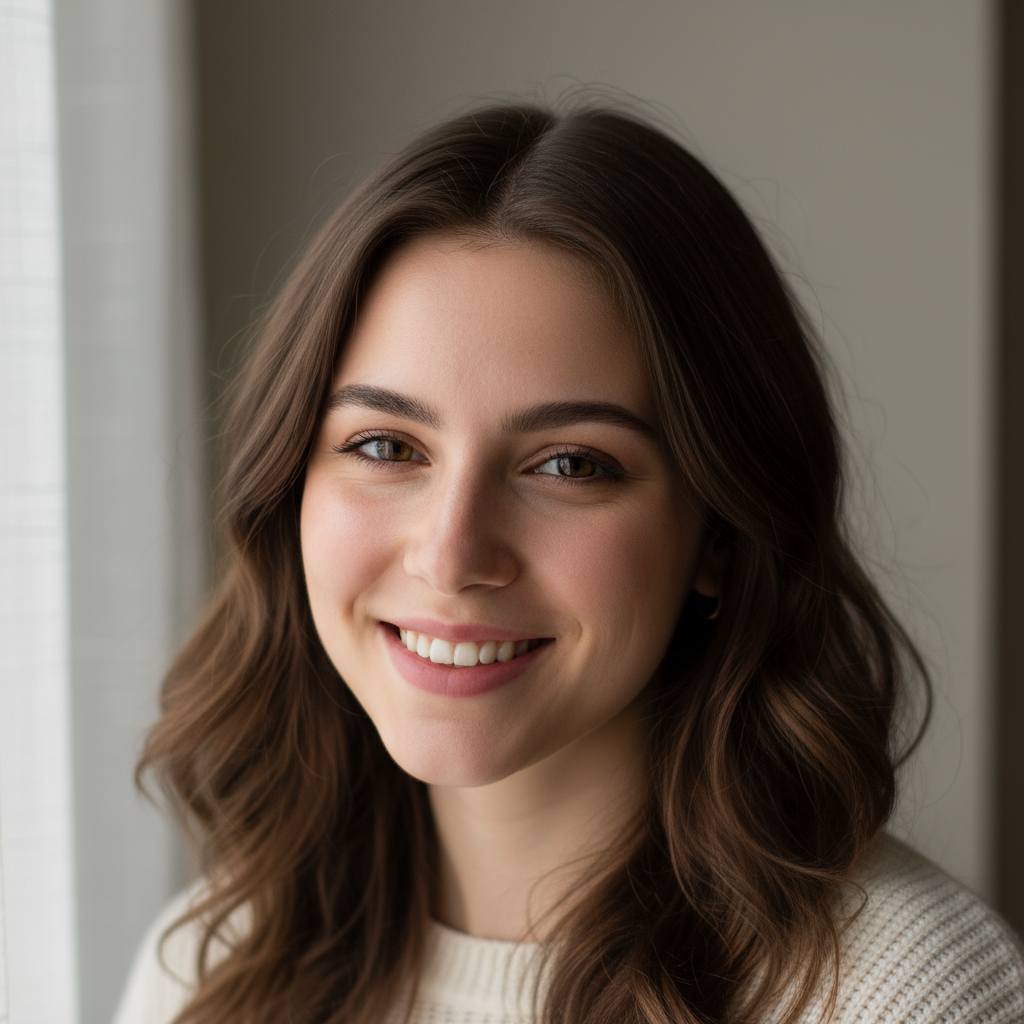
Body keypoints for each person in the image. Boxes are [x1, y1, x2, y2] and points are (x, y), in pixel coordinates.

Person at [113, 104, 1024, 1024]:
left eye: (569, 465)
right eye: (387, 447)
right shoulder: (211, 965)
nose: (451, 555)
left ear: (719, 535)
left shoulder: (906, 995)